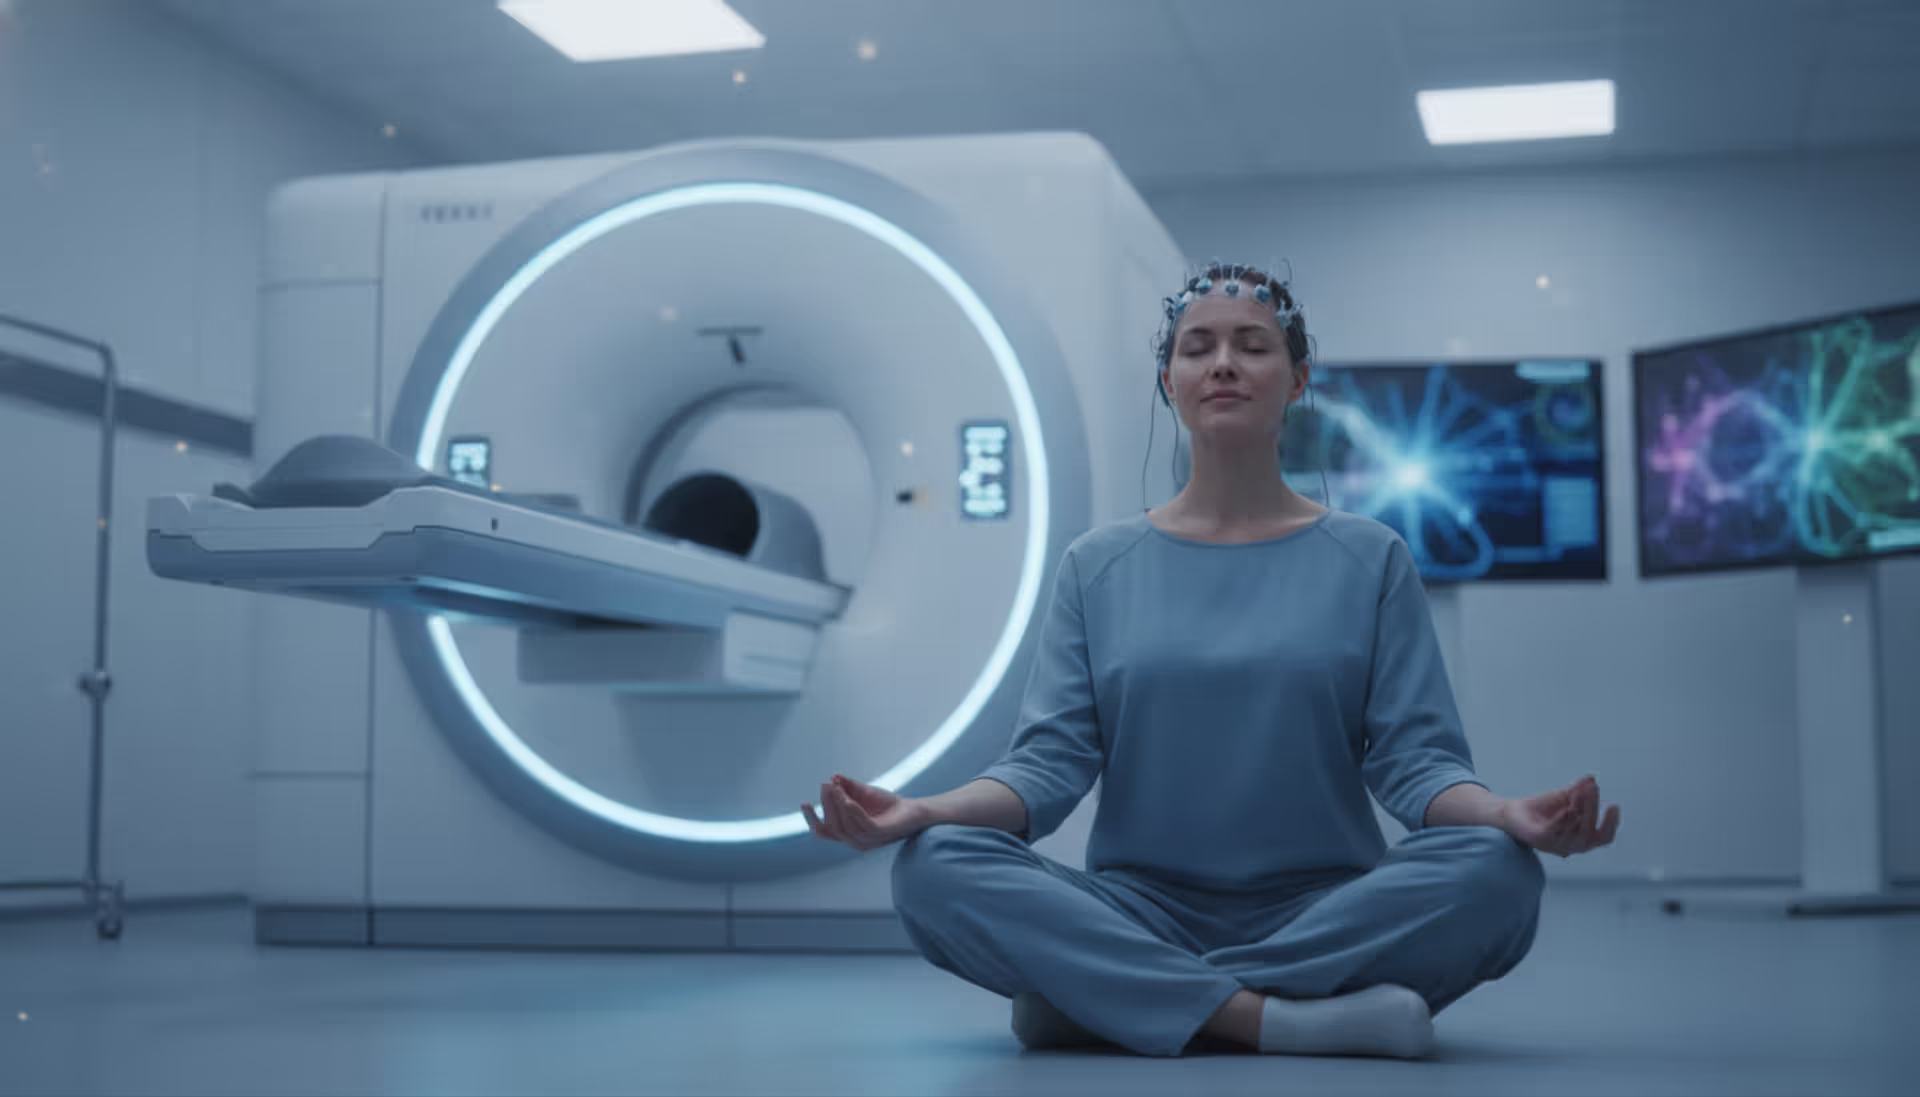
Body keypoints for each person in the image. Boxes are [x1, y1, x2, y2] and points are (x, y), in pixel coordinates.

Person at [801, 263, 1622, 1059]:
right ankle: (1273, 1018)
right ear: (1168, 380)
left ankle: (1111, 1002)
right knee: (936, 865)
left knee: (1498, 873)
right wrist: (922, 811)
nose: (1223, 362)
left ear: (1298, 379)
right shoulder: (1097, 565)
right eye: (1197, 346)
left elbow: (1418, 763)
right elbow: (1046, 769)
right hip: (1137, 908)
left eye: (1253, 344)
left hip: (1329, 907)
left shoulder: (1373, 559)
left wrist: (1506, 814)